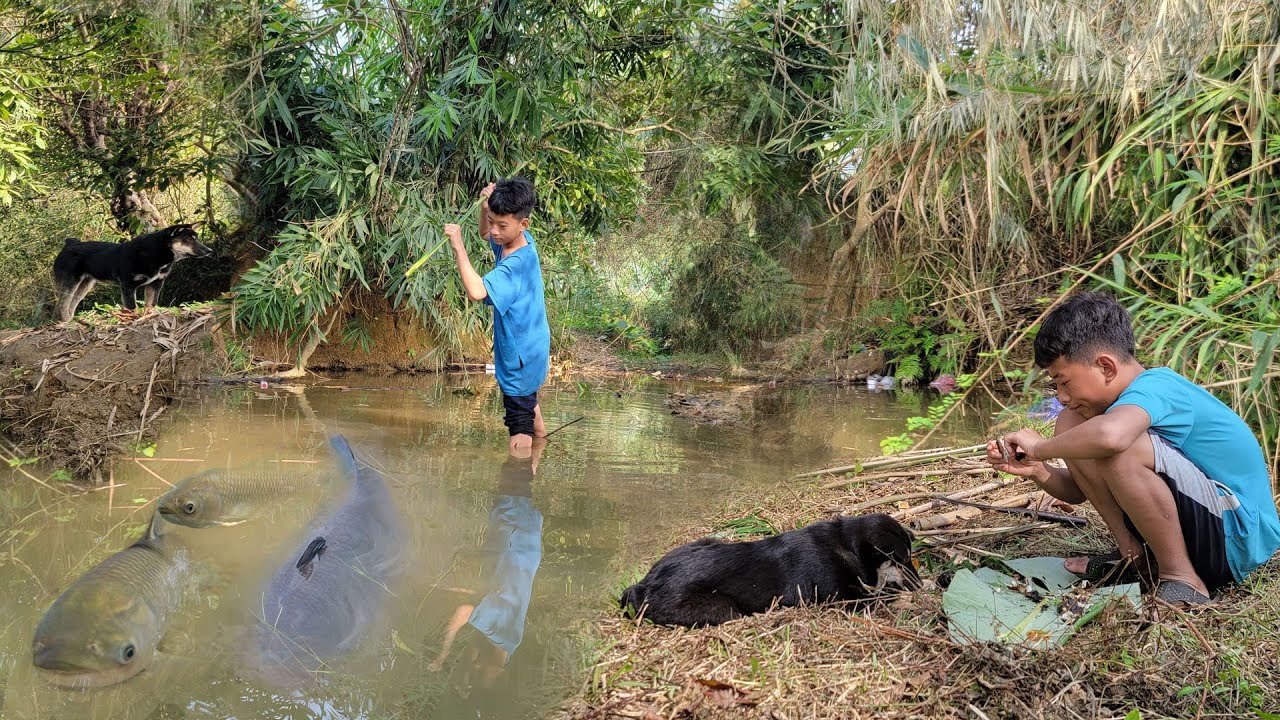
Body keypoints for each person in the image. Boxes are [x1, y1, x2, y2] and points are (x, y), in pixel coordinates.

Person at [990, 292, 1280, 605]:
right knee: (1070, 422)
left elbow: (1113, 439)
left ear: (1106, 367)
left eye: (1064, 381)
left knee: (1118, 447)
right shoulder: (1107, 413)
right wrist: (1038, 469)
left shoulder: (1157, 387)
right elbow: (1080, 490)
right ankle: (1133, 556)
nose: (1060, 395)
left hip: (1236, 537)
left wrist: (1041, 447)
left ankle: (1182, 578)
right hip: (1205, 525)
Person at [445, 177, 551, 453]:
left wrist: (458, 246)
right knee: (527, 403)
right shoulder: (515, 240)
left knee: (519, 425)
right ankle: (540, 457)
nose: (493, 231)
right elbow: (484, 233)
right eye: (492, 221)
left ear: (523, 224)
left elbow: (476, 291)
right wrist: (485, 210)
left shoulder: (516, 263)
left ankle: (517, 489)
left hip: (520, 357)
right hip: (530, 350)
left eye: (501, 225)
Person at [429, 439, 545, 689]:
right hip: (514, 537)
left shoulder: (500, 644)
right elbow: (465, 612)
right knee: (514, 471)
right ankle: (533, 438)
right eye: (482, 676)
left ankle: (535, 440)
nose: (477, 667)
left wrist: (465, 674)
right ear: (502, 676)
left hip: (519, 542)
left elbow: (473, 648)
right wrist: (444, 651)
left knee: (521, 481)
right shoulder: (502, 635)